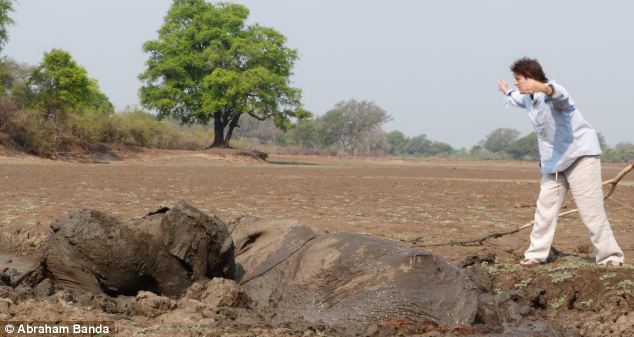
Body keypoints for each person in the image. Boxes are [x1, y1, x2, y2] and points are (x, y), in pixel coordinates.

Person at [497, 57, 624, 267]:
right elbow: (515, 97)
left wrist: (544, 87)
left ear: (530, 78)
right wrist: (506, 91)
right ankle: (536, 254)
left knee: (591, 210)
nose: (516, 83)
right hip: (553, 163)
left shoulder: (553, 94)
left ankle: (610, 257)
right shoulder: (527, 98)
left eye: (518, 79)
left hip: (580, 156)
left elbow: (560, 94)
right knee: (545, 209)